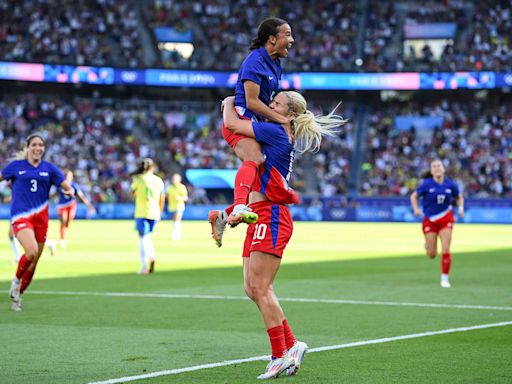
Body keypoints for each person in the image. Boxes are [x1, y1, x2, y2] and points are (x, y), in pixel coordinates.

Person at [222, 92, 347, 379]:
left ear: (288, 113)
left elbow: (232, 124)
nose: (269, 106)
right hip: (260, 213)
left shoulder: (277, 129)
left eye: (275, 104)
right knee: (252, 288)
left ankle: (280, 354)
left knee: (260, 286)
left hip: (271, 214)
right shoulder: (278, 129)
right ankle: (292, 345)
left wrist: (228, 101)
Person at [209, 17, 295, 247]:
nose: (292, 40)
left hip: (254, 121)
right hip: (241, 118)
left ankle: (223, 216)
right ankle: (238, 206)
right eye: (287, 35)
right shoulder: (255, 62)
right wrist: (282, 120)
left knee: (258, 179)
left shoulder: (276, 63)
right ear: (272, 39)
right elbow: (253, 102)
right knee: (255, 159)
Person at [1, 134, 74, 311]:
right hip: (21, 217)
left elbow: (66, 186)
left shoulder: (49, 169)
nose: (38, 148)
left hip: (41, 220)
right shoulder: (15, 167)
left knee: (34, 264)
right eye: (34, 144)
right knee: (31, 251)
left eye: (40, 145)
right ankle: (16, 281)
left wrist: (69, 191)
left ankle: (18, 296)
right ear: (27, 147)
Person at [410, 159, 464, 288]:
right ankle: (428, 245)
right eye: (434, 166)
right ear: (431, 170)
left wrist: (461, 208)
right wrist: (416, 209)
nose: (437, 168)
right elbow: (414, 196)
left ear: (443, 168)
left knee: (446, 248)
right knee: (432, 254)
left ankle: (444, 278)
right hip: (430, 220)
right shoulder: (426, 184)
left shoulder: (451, 184)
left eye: (439, 166)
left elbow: (459, 197)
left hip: (446, 219)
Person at [131, 158, 165, 275]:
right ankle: (152, 257)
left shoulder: (138, 179)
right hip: (154, 212)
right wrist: (160, 212)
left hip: (142, 211)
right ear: (152, 167)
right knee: (148, 236)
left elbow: (133, 193)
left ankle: (145, 264)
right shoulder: (158, 180)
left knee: (142, 238)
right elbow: (162, 198)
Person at [56, 169, 96, 248]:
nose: (67, 177)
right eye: (66, 176)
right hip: (61, 206)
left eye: (69, 176)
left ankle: (64, 231)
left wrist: (89, 206)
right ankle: (63, 239)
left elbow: (81, 196)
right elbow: (54, 194)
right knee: (63, 222)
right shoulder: (60, 185)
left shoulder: (74, 186)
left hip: (71, 205)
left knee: (67, 223)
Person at [166, 173, 188, 241]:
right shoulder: (170, 187)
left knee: (177, 219)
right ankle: (176, 234)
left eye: (175, 179)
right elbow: (167, 196)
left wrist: (179, 198)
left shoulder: (182, 187)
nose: (173, 180)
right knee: (175, 221)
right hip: (172, 206)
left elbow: (186, 198)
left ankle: (175, 235)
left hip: (179, 206)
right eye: (173, 179)